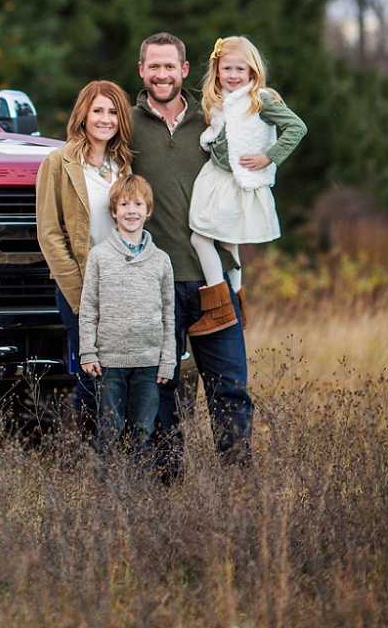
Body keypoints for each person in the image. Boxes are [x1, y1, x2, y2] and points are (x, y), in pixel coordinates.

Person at [130, 33, 252, 471]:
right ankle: (167, 491)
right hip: (152, 283)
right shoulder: (127, 124)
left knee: (230, 387)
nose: (162, 74)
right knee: (160, 392)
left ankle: (238, 487)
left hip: (213, 281)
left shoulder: (215, 120)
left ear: (184, 70)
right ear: (142, 71)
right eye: (153, 66)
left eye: (170, 66)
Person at [187, 35, 307, 336]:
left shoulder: (261, 99)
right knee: (227, 243)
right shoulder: (217, 101)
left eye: (241, 70)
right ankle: (237, 306)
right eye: (227, 69)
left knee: (201, 239)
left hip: (236, 181)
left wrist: (269, 157)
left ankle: (219, 308)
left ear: (252, 72)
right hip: (216, 178)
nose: (233, 76)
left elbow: (297, 127)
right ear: (217, 71)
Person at [36, 80, 132, 425]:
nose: (105, 119)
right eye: (98, 111)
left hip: (124, 286)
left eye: (113, 112)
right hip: (82, 286)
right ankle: (86, 458)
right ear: (83, 115)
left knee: (122, 375)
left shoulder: (125, 164)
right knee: (93, 375)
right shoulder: (59, 162)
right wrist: (79, 293)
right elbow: (48, 233)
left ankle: (116, 455)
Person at [78, 174, 176, 463]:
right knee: (110, 429)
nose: (131, 210)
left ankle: (137, 493)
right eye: (123, 204)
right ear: (113, 212)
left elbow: (169, 314)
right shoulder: (99, 256)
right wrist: (88, 351)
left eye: (137, 204)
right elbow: (89, 308)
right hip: (110, 361)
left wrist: (167, 359)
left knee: (143, 429)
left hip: (148, 362)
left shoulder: (161, 260)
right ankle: (106, 493)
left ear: (148, 210)